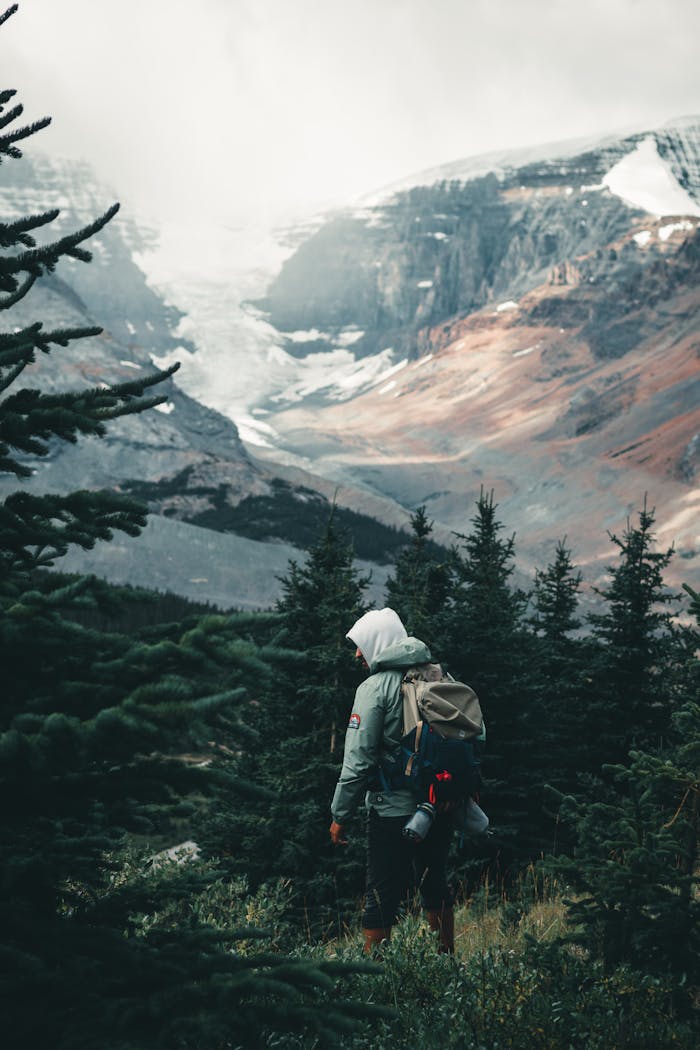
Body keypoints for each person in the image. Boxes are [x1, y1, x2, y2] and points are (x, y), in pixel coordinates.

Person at [329, 607, 455, 954]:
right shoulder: (441, 676)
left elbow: (357, 762)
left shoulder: (374, 688)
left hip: (391, 811)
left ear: (378, 642)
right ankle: (447, 966)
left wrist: (340, 815)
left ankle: (376, 976)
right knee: (435, 883)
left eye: (361, 645)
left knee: (381, 893)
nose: (358, 654)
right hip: (439, 804)